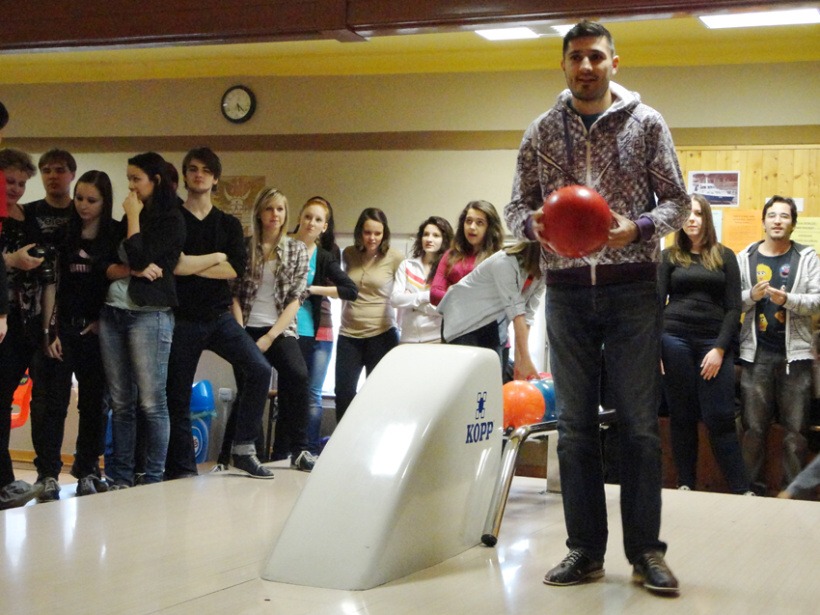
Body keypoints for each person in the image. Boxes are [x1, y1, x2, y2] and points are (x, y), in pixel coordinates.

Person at [504, 21, 689, 594]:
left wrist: (637, 228)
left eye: (596, 57)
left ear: (614, 63)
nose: (586, 67)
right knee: (575, 428)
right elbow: (514, 209)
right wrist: (533, 224)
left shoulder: (646, 122)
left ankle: (646, 552)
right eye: (576, 57)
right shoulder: (541, 130)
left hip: (632, 288)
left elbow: (679, 203)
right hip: (565, 292)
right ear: (563, 64)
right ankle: (584, 550)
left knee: (638, 427)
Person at [164, 147, 273, 480]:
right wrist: (215, 256)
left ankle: (243, 449)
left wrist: (193, 264)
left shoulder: (228, 223)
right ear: (185, 176)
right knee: (176, 394)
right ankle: (183, 469)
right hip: (182, 318)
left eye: (206, 170)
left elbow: (233, 269)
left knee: (259, 369)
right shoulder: (172, 218)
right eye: (193, 169)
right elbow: (175, 265)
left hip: (218, 317)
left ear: (215, 179)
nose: (199, 175)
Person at [99, 152, 185, 488]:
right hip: (113, 311)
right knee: (121, 402)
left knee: (151, 402)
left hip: (149, 316)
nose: (131, 186)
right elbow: (108, 264)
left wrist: (133, 217)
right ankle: (120, 477)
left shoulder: (172, 220)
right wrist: (130, 269)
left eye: (136, 179)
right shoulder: (128, 217)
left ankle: (152, 477)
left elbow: (137, 254)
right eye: (128, 179)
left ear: (156, 180)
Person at [658, 194, 750, 494]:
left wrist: (720, 349)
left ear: (706, 218)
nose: (692, 219)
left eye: (698, 213)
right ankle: (685, 482)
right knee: (682, 415)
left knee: (719, 416)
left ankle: (741, 488)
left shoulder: (725, 256)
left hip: (714, 342)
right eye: (686, 214)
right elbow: (656, 305)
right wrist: (655, 349)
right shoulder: (669, 257)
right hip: (674, 340)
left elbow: (734, 308)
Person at [224, 187, 315, 471]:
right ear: (259, 213)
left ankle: (300, 449)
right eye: (269, 208)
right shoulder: (244, 247)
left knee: (298, 375)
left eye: (280, 209)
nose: (275, 214)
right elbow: (232, 293)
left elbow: (296, 298)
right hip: (245, 327)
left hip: (279, 329)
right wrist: (240, 331)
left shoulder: (297, 250)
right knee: (250, 388)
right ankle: (248, 453)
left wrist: (270, 336)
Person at [737, 196, 820, 491]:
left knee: (795, 432)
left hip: (795, 358)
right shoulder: (745, 257)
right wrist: (752, 296)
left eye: (784, 216)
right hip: (755, 355)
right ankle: (749, 489)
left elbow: (817, 301)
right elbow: (731, 302)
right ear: (763, 221)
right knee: (753, 429)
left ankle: (792, 494)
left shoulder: (806, 257)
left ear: (793, 224)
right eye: (772, 215)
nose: (777, 221)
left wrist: (788, 300)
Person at [40, 171, 115, 496]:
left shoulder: (114, 234)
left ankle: (87, 469)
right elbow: (52, 283)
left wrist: (102, 320)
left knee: (94, 403)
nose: (84, 205)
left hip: (97, 329)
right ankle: (48, 474)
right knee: (54, 403)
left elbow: (120, 283)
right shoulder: (64, 233)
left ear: (104, 202)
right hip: (64, 327)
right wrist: (50, 329)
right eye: (80, 198)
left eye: (92, 200)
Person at [19, 148, 77, 501]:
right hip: (33, 317)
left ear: (72, 174)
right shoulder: (27, 214)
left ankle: (77, 470)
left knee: (67, 400)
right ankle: (46, 473)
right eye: (47, 170)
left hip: (73, 319)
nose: (53, 176)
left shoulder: (82, 212)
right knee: (41, 401)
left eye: (59, 170)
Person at [0, 103, 44, 509]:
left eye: (21, 183)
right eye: (9, 181)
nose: (15, 189)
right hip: (4, 316)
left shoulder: (27, 215)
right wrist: (11, 261)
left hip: (28, 318)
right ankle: (5, 480)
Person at [292, 196, 358, 454]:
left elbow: (349, 289)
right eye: (308, 216)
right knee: (293, 391)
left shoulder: (329, 253)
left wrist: (313, 289)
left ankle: (308, 450)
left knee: (313, 393)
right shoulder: (287, 246)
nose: (312, 222)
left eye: (318, 219)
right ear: (300, 217)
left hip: (321, 324)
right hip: (291, 327)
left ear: (325, 225)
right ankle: (288, 450)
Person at [437, 241, 545, 380]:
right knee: (469, 381)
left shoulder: (542, 274)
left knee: (492, 380)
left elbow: (527, 317)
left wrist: (520, 363)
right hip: (463, 320)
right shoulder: (504, 262)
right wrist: (525, 359)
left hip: (491, 323)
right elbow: (517, 313)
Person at [334, 208, 403, 422]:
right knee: (343, 392)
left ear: (384, 234)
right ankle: (344, 438)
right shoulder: (348, 254)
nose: (372, 238)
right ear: (359, 232)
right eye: (367, 232)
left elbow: (403, 294)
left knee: (378, 395)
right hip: (349, 335)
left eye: (377, 233)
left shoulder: (395, 257)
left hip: (382, 335)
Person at [391, 216, 453, 344]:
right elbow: (395, 300)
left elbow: (446, 309)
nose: (429, 239)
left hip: (437, 338)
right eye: (426, 234)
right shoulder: (407, 265)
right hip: (408, 338)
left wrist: (412, 302)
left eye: (436, 235)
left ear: (444, 240)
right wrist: (427, 296)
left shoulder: (449, 269)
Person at [429, 201, 503, 306]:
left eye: (479, 223)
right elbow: (434, 294)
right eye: (468, 221)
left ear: (489, 228)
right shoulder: (451, 255)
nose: (472, 227)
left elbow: (498, 299)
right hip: (452, 316)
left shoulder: (498, 258)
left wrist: (451, 293)